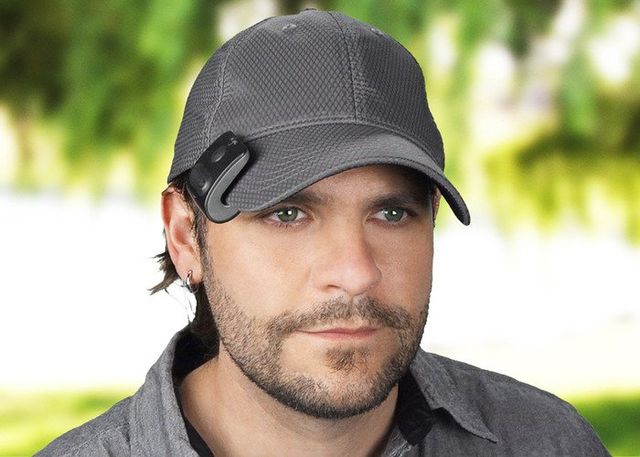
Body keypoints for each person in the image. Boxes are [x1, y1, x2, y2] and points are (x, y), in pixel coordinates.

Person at [37, 9, 609, 457]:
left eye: (392, 214)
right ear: (186, 237)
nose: (355, 272)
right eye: (287, 214)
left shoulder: (549, 442)